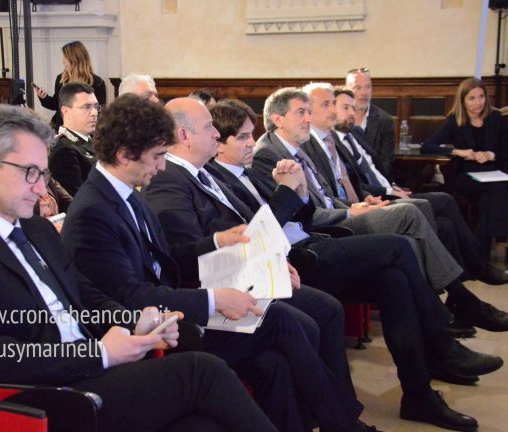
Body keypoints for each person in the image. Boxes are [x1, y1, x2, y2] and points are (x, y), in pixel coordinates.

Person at [0, 103, 278, 432]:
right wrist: (99, 353)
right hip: (45, 396)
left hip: (85, 370)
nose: (42, 188)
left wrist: (135, 321)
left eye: (43, 173)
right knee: (202, 370)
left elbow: (84, 296)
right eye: (30, 173)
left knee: (203, 425)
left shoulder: (35, 228)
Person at [62, 94, 376, 432]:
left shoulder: (124, 192)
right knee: (280, 319)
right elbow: (129, 296)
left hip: (173, 311)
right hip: (155, 330)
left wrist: (218, 243)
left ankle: (337, 423)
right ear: (124, 155)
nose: (162, 165)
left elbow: (167, 258)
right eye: (157, 156)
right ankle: (345, 425)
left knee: (275, 363)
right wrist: (214, 300)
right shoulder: (94, 211)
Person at [201, 97, 504, 431]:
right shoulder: (228, 173)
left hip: (310, 243)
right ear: (219, 145)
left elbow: (301, 216)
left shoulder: (242, 171)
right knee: (399, 245)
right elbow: (257, 234)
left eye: (251, 135)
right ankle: (442, 341)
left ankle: (419, 395)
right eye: (243, 137)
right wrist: (288, 191)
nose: (251, 142)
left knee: (395, 281)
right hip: (297, 258)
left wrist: (298, 190)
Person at [253, 87, 508, 335]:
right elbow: (302, 214)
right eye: (302, 112)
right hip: (324, 231)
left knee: (423, 223)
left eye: (310, 111)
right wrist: (351, 212)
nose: (308, 118)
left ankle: (446, 310)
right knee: (409, 216)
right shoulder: (269, 154)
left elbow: (328, 197)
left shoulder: (296, 147)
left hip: (340, 213)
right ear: (278, 119)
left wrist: (356, 205)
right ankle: (455, 303)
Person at [333, 87, 508, 287]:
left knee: (449, 219)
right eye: (345, 108)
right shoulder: (332, 142)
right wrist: (388, 191)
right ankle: (474, 269)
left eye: (353, 108)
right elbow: (354, 183)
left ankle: (462, 277)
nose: (352, 112)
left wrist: (392, 186)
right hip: (377, 198)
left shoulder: (355, 133)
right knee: (446, 203)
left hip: (391, 189)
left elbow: (376, 169)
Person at [422, 77, 508, 259]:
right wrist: (458, 152)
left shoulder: (496, 118)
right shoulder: (455, 120)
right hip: (467, 176)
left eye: (481, 96)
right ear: (463, 101)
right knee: (497, 189)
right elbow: (427, 146)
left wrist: (491, 155)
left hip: (494, 175)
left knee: (490, 196)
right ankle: (500, 236)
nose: (478, 103)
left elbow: (506, 151)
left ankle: (479, 254)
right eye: (472, 98)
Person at [35, 41, 106, 130]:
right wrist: (44, 98)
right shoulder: (61, 79)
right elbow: (56, 105)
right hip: (61, 126)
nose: (63, 61)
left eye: (65, 57)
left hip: (85, 129)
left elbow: (100, 112)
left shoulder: (97, 82)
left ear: (74, 58)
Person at [48, 82, 99, 196]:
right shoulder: (63, 150)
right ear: (66, 111)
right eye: (87, 107)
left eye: (96, 107)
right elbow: (77, 198)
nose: (94, 113)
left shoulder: (91, 141)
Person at [344, 68, 395, 176]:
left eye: (368, 87)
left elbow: (386, 163)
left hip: (374, 180)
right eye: (357, 87)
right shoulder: (338, 119)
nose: (364, 93)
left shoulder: (384, 120)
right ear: (347, 90)